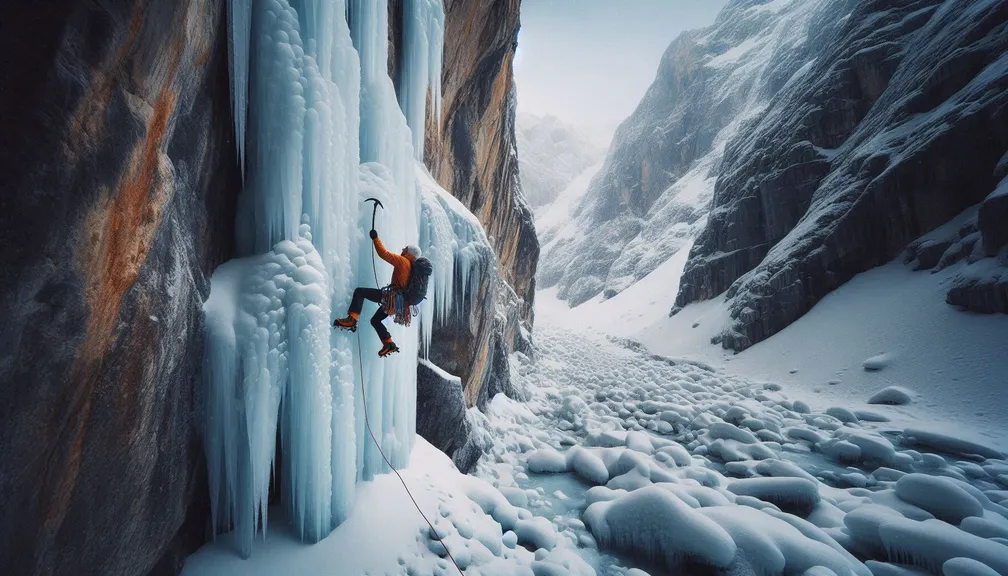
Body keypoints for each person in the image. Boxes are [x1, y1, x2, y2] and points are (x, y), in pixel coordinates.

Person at [334, 229, 422, 357]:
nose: (402, 249)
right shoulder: (412, 269)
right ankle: (389, 343)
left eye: (405, 249)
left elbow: (383, 253)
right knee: (375, 320)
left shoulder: (403, 261)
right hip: (398, 304)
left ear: (409, 253)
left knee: (360, 292)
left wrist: (375, 238)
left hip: (391, 298)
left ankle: (351, 319)